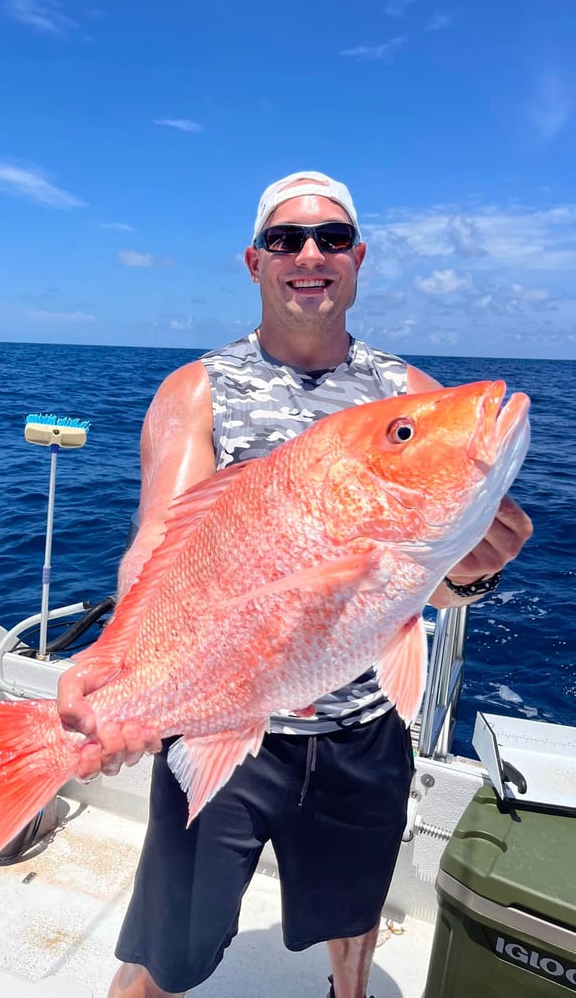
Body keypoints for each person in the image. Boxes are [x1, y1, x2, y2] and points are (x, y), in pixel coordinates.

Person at [57, 171, 533, 998]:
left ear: (358, 259)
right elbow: (157, 550)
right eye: (286, 240)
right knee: (167, 950)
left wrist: (473, 576)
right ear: (254, 261)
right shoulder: (197, 389)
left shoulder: (409, 393)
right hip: (224, 723)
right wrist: (114, 677)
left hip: (360, 733)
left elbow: (421, 585)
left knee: (354, 920)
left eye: (332, 238)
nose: (309, 254)